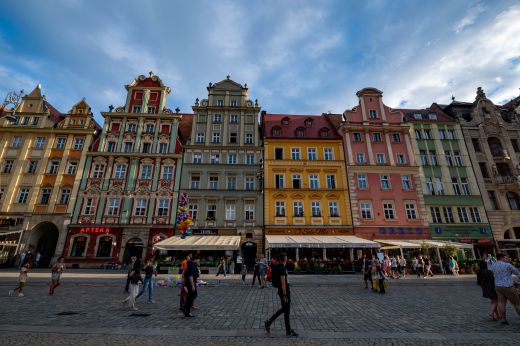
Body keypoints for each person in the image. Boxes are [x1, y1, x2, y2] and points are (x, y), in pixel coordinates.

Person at [264, 253, 298, 337]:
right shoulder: (282, 267)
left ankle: (287, 330)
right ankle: (269, 322)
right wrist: (285, 294)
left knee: (285, 310)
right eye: (286, 257)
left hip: (280, 290)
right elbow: (283, 282)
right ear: (284, 259)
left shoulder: (277, 266)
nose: (287, 258)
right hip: (284, 291)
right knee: (285, 309)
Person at [489, 253, 520, 325]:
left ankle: (503, 319)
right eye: (506, 258)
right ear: (502, 258)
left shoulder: (493, 265)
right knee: (517, 303)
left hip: (498, 286)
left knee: (501, 302)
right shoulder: (508, 265)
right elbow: (517, 273)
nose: (507, 259)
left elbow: (492, 273)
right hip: (508, 285)